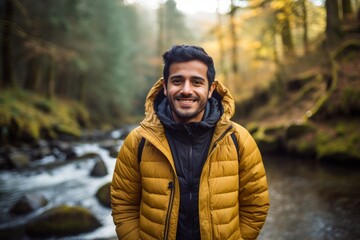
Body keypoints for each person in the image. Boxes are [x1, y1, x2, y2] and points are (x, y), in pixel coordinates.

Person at [111, 45, 269, 240]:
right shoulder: (138, 141)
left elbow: (256, 205)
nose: (186, 90)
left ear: (210, 89)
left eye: (196, 82)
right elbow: (123, 204)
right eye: (177, 81)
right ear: (166, 86)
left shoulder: (239, 139)